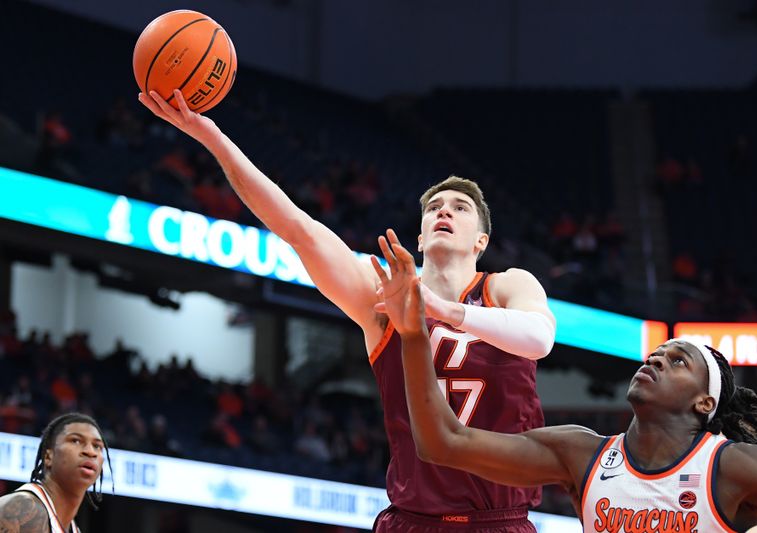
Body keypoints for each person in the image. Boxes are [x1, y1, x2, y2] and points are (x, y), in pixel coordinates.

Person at [139, 90, 557, 531]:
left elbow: (540, 339)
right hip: (414, 520)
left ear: (481, 241)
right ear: (418, 239)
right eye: (434, 207)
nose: (443, 212)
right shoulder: (382, 295)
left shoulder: (508, 285)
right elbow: (297, 229)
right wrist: (213, 138)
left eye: (460, 208)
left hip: (499, 520)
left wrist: (445, 311)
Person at [370, 231, 757, 532]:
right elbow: (443, 443)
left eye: (678, 361)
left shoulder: (737, 464)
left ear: (704, 403)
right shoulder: (581, 453)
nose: (656, 360)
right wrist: (412, 337)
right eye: (655, 354)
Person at [0, 413, 112, 532]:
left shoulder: (73, 529)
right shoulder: (25, 509)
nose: (90, 452)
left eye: (97, 446)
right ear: (48, 456)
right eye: (76, 441)